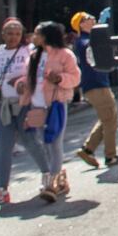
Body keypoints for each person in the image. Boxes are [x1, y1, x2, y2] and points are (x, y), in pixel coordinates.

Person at [0, 19, 48, 207]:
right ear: (3, 34)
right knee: (4, 147)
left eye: (17, 33)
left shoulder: (29, 51)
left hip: (24, 103)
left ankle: (48, 177)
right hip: (1, 105)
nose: (13, 37)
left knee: (31, 141)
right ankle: (2, 191)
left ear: (22, 35)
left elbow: (37, 76)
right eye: (9, 33)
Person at [15, 22, 81, 203]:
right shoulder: (33, 55)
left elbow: (75, 77)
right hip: (36, 105)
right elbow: (27, 76)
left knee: (54, 142)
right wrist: (20, 84)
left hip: (56, 105)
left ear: (46, 36)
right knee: (44, 143)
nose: (33, 36)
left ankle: (51, 184)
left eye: (36, 33)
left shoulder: (65, 54)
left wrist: (59, 78)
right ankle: (60, 176)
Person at [71, 13, 118, 169]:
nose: (92, 19)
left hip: (97, 84)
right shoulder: (83, 41)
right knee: (110, 120)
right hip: (96, 85)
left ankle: (88, 149)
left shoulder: (85, 40)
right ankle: (110, 156)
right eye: (88, 18)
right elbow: (92, 49)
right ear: (81, 25)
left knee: (107, 119)